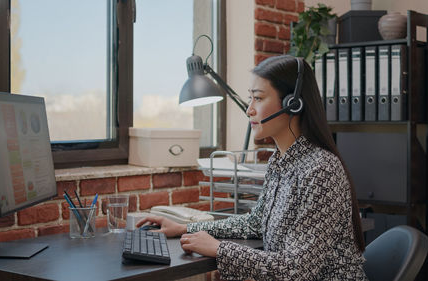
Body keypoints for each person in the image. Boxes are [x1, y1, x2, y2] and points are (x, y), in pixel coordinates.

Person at [137, 55, 367, 280]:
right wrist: (185, 228)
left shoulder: (321, 170)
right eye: (251, 98)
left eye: (258, 98)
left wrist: (219, 249)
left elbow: (296, 270)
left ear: (292, 104)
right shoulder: (280, 162)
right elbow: (255, 223)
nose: (249, 110)